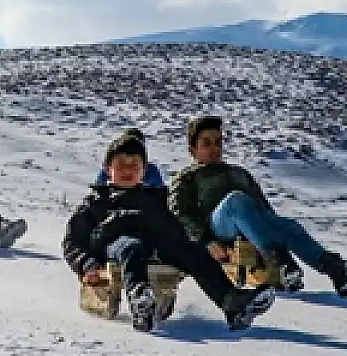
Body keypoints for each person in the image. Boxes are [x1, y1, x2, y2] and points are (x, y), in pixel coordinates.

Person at [63, 129, 274, 333]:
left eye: (134, 165)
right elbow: (72, 241)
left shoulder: (158, 198)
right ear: (108, 169)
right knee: (131, 247)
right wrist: (87, 264)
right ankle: (141, 301)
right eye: (121, 165)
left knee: (194, 252)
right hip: (115, 248)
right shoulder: (96, 203)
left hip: (157, 245)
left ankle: (232, 302)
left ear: (144, 170)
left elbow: (178, 226)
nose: (128, 170)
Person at [169, 115, 347, 298]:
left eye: (218, 142)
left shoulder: (239, 173)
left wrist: (278, 229)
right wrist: (207, 241)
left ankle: (337, 270)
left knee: (287, 226)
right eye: (206, 143)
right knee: (236, 200)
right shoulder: (187, 178)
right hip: (217, 228)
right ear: (193, 149)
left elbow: (263, 210)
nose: (214, 148)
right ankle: (279, 263)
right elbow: (180, 214)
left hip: (250, 226)